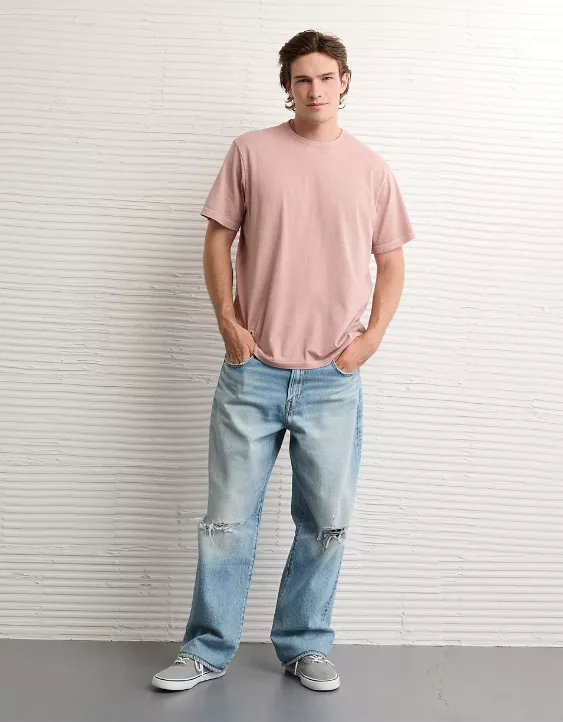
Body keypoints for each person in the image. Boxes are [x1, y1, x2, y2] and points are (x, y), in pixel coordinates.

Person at [152, 29, 415, 694]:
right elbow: (218, 239)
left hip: (332, 377)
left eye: (326, 77)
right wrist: (227, 322)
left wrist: (370, 340)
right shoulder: (251, 152)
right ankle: (206, 650)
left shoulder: (371, 169)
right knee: (225, 523)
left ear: (344, 83)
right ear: (287, 87)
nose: (314, 90)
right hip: (253, 370)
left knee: (325, 523)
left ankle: (304, 645)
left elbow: (390, 262)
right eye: (302, 79)